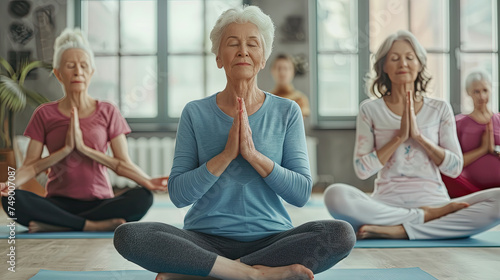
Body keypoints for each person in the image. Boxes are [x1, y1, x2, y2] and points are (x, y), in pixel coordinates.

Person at [113, 6, 355, 280]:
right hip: (203, 240)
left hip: (272, 241)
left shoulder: (287, 111)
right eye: (233, 44)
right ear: (219, 57)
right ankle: (256, 275)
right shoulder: (195, 112)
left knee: (340, 234)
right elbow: (179, 195)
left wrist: (253, 156)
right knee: (129, 235)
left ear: (263, 58)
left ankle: (207, 273)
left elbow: (300, 193)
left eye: (252, 44)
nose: (243, 51)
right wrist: (227, 154)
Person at [323, 30, 500, 240]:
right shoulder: (369, 110)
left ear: (420, 64)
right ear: (384, 66)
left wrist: (419, 137)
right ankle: (424, 219)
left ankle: (401, 229)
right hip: (385, 203)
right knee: (334, 195)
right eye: (394, 58)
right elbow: (362, 170)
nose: (403, 64)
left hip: (436, 200)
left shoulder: (439, 108)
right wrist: (398, 137)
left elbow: (454, 168)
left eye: (409, 57)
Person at [0, 28, 168, 233]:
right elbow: (31, 166)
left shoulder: (108, 111)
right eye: (70, 66)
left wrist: (147, 181)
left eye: (83, 66)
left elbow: (122, 164)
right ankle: (90, 226)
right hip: (57, 202)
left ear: (91, 72)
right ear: (58, 73)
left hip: (99, 203)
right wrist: (10, 183)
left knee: (143, 197)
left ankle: (57, 224)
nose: (78, 72)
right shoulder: (44, 113)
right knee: (11, 200)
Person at [441, 71, 500, 197]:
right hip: (469, 190)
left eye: (485, 90)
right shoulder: (458, 123)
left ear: (491, 90)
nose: (482, 96)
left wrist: (494, 150)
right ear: (468, 92)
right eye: (476, 92)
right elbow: (453, 163)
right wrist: (483, 149)